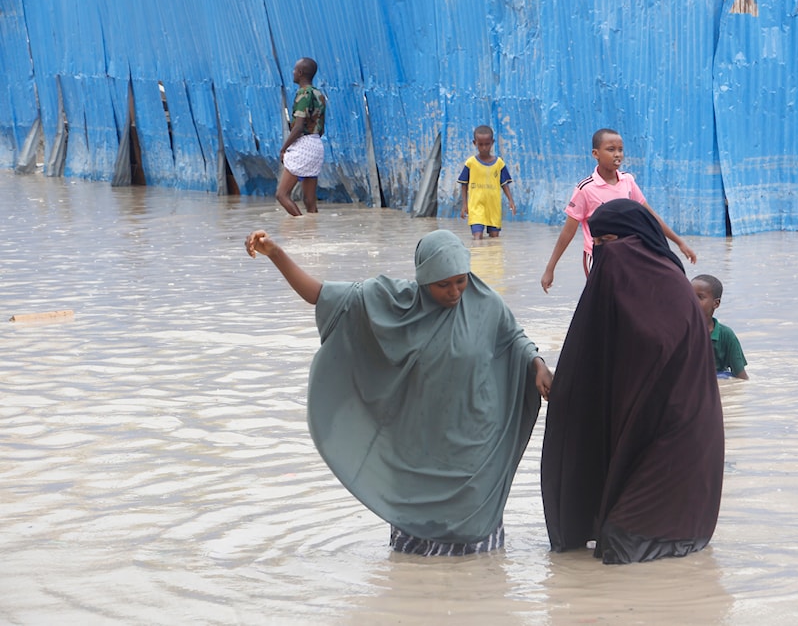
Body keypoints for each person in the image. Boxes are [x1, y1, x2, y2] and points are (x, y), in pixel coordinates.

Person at [244, 228, 553, 555]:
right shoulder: (392, 302)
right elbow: (320, 295)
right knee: (413, 553)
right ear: (423, 280)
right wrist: (276, 254)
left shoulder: (487, 304)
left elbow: (515, 340)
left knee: (478, 552)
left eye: (460, 280)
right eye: (442, 284)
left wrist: (538, 365)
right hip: (416, 442)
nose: (454, 292)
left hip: (474, 440)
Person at [540, 199, 724, 564]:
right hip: (645, 421)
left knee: (624, 541)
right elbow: (595, 358)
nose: (607, 254)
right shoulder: (624, 284)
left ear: (635, 239)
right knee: (612, 543)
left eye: (612, 241)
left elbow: (654, 350)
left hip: (677, 429)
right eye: (599, 246)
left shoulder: (667, 287)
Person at [540, 128, 696, 292]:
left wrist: (679, 242)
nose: (617, 154)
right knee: (603, 301)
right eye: (611, 149)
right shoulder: (585, 189)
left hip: (629, 253)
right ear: (595, 153)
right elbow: (568, 231)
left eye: (620, 150)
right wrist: (550, 268)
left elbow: (649, 216)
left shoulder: (627, 181)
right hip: (598, 256)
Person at [276, 57, 327, 216]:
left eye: (294, 70)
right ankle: (311, 233)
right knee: (310, 201)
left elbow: (298, 127)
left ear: (300, 73)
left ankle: (301, 227)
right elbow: (321, 128)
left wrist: (283, 149)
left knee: (282, 195)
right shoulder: (319, 94)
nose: (293, 72)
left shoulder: (303, 94)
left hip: (303, 145)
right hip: (316, 145)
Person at [458, 125, 517, 239]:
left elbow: (504, 184)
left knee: (494, 237)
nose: (484, 148)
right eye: (480, 144)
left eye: (487, 144)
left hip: (493, 206)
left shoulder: (499, 163)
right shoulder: (470, 163)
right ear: (475, 143)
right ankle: (478, 256)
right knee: (477, 237)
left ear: (492, 142)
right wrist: (464, 205)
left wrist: (511, 200)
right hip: (476, 206)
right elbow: (464, 184)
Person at [692, 274, 749, 380]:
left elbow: (741, 377)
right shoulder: (681, 331)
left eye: (700, 297)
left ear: (716, 303)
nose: (693, 301)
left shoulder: (726, 335)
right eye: (690, 296)